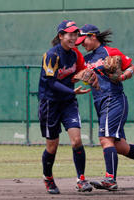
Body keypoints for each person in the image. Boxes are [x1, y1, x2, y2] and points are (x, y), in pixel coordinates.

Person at [75, 24, 134, 191]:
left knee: (105, 139)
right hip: (100, 102)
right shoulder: (86, 60)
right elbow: (77, 76)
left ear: (93, 36)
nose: (82, 44)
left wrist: (122, 76)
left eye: (84, 40)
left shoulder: (110, 52)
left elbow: (132, 68)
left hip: (114, 99)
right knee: (120, 147)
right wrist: (80, 78)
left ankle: (110, 179)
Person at [38, 20, 94, 194]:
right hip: (50, 103)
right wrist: (72, 91)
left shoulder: (76, 54)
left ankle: (81, 180)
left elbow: (82, 71)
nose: (73, 37)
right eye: (69, 34)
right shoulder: (52, 55)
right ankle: (48, 178)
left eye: (75, 34)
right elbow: (50, 82)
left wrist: (88, 75)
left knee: (76, 140)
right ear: (61, 36)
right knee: (52, 147)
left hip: (68, 102)